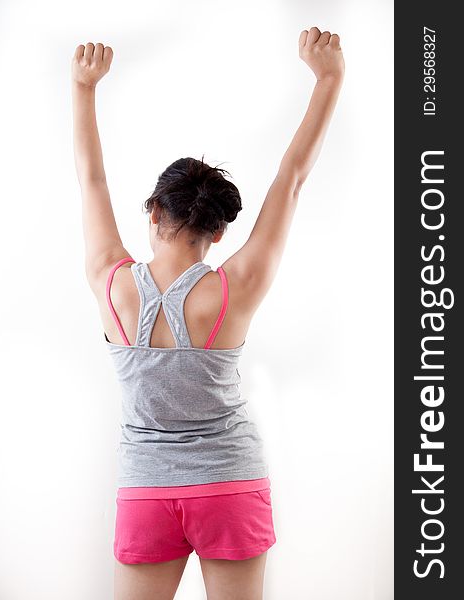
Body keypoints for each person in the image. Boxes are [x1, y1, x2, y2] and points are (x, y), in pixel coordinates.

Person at [71, 26, 345, 600]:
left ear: (152, 212)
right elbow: (290, 182)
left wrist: (83, 87)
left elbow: (90, 180)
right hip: (231, 482)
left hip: (146, 489)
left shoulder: (111, 281)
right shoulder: (235, 287)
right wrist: (328, 79)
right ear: (218, 233)